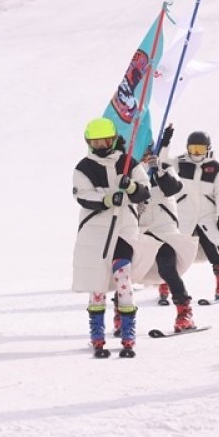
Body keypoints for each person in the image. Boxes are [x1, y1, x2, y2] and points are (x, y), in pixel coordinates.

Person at [72, 117, 156, 357]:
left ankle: (128, 335)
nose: (100, 145)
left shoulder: (129, 163)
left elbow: (144, 193)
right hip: (96, 230)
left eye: (104, 140)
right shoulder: (84, 167)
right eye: (95, 141)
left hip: (124, 229)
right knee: (97, 282)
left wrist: (131, 189)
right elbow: (82, 196)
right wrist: (107, 199)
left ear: (113, 139)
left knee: (122, 274)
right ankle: (97, 336)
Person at [163, 127, 219, 300]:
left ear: (208, 149)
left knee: (215, 249)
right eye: (193, 149)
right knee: (173, 249)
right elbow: (162, 162)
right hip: (184, 215)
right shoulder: (181, 163)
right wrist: (165, 142)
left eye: (200, 150)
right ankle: (165, 283)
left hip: (206, 216)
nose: (196, 154)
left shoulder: (215, 168)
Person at [137, 143, 200, 332]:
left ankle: (184, 312)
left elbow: (173, 188)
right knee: (126, 270)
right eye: (142, 155)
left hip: (164, 228)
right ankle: (122, 316)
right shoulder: (131, 171)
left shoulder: (163, 167)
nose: (145, 158)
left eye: (148, 153)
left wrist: (159, 171)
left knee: (168, 267)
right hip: (141, 229)